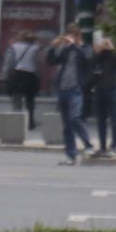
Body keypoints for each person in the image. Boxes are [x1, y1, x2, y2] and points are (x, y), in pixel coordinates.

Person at [44, 27, 92, 164]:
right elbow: (52, 61)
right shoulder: (66, 50)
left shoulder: (84, 48)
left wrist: (74, 45)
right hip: (63, 89)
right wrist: (53, 48)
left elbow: (87, 59)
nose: (68, 38)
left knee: (74, 117)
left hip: (76, 89)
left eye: (71, 35)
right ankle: (71, 155)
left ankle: (88, 145)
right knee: (67, 125)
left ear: (77, 37)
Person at [88, 32, 116, 157]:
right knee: (101, 120)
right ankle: (103, 146)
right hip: (100, 89)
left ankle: (114, 146)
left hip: (113, 88)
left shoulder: (114, 56)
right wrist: (99, 52)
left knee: (115, 119)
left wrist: (112, 49)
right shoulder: (98, 56)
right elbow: (92, 64)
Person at [2, 32, 44, 130]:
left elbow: (9, 62)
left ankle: (17, 121)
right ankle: (30, 121)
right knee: (30, 101)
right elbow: (39, 62)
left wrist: (5, 76)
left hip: (18, 74)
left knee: (17, 99)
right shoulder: (36, 48)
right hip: (30, 75)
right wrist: (40, 75)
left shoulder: (15, 46)